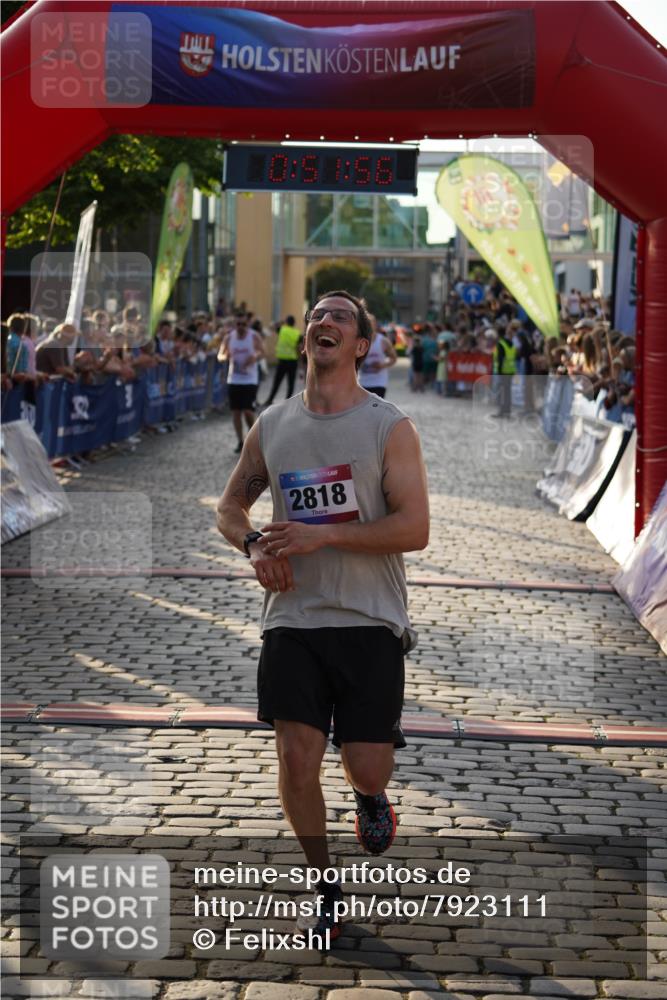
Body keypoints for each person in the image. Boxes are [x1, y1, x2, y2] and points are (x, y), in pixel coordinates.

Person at [216, 290, 429, 943]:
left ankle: (369, 796)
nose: (322, 323)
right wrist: (253, 546)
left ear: (361, 345)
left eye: (339, 317)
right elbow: (228, 508)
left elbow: (413, 528)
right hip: (292, 618)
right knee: (295, 757)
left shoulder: (387, 427)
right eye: (316, 316)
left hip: (368, 617)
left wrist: (321, 536)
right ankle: (325, 888)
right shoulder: (273, 424)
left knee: (365, 764)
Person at [218, 313, 264, 452]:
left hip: (250, 380)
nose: (241, 327)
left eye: (244, 324)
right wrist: (225, 356)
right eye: (238, 324)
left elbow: (262, 352)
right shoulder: (229, 337)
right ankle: (240, 441)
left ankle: (254, 438)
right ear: (235, 325)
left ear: (247, 324)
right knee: (236, 412)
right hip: (234, 379)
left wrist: (254, 357)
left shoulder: (254, 336)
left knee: (248, 411)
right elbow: (220, 355)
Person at [261, 315, 302, 406]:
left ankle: (270, 399)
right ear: (294, 323)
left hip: (282, 361)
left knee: (277, 382)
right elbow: (299, 348)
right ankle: (287, 403)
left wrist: (281, 322)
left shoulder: (282, 330)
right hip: (293, 361)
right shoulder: (297, 333)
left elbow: (272, 326)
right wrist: (300, 363)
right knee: (291, 383)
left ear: (286, 322)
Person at [357, 315, 396, 398]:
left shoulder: (383, 341)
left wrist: (382, 365)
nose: (368, 327)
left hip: (379, 383)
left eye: (370, 324)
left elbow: (393, 358)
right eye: (365, 324)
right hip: (362, 382)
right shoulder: (357, 342)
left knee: (376, 409)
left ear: (375, 325)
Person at [492, 325, 517, 418]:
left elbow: (500, 359)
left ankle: (502, 412)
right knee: (507, 392)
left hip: (502, 371)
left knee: (501, 392)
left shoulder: (501, 344)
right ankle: (507, 411)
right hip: (510, 371)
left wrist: (498, 372)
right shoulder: (511, 343)